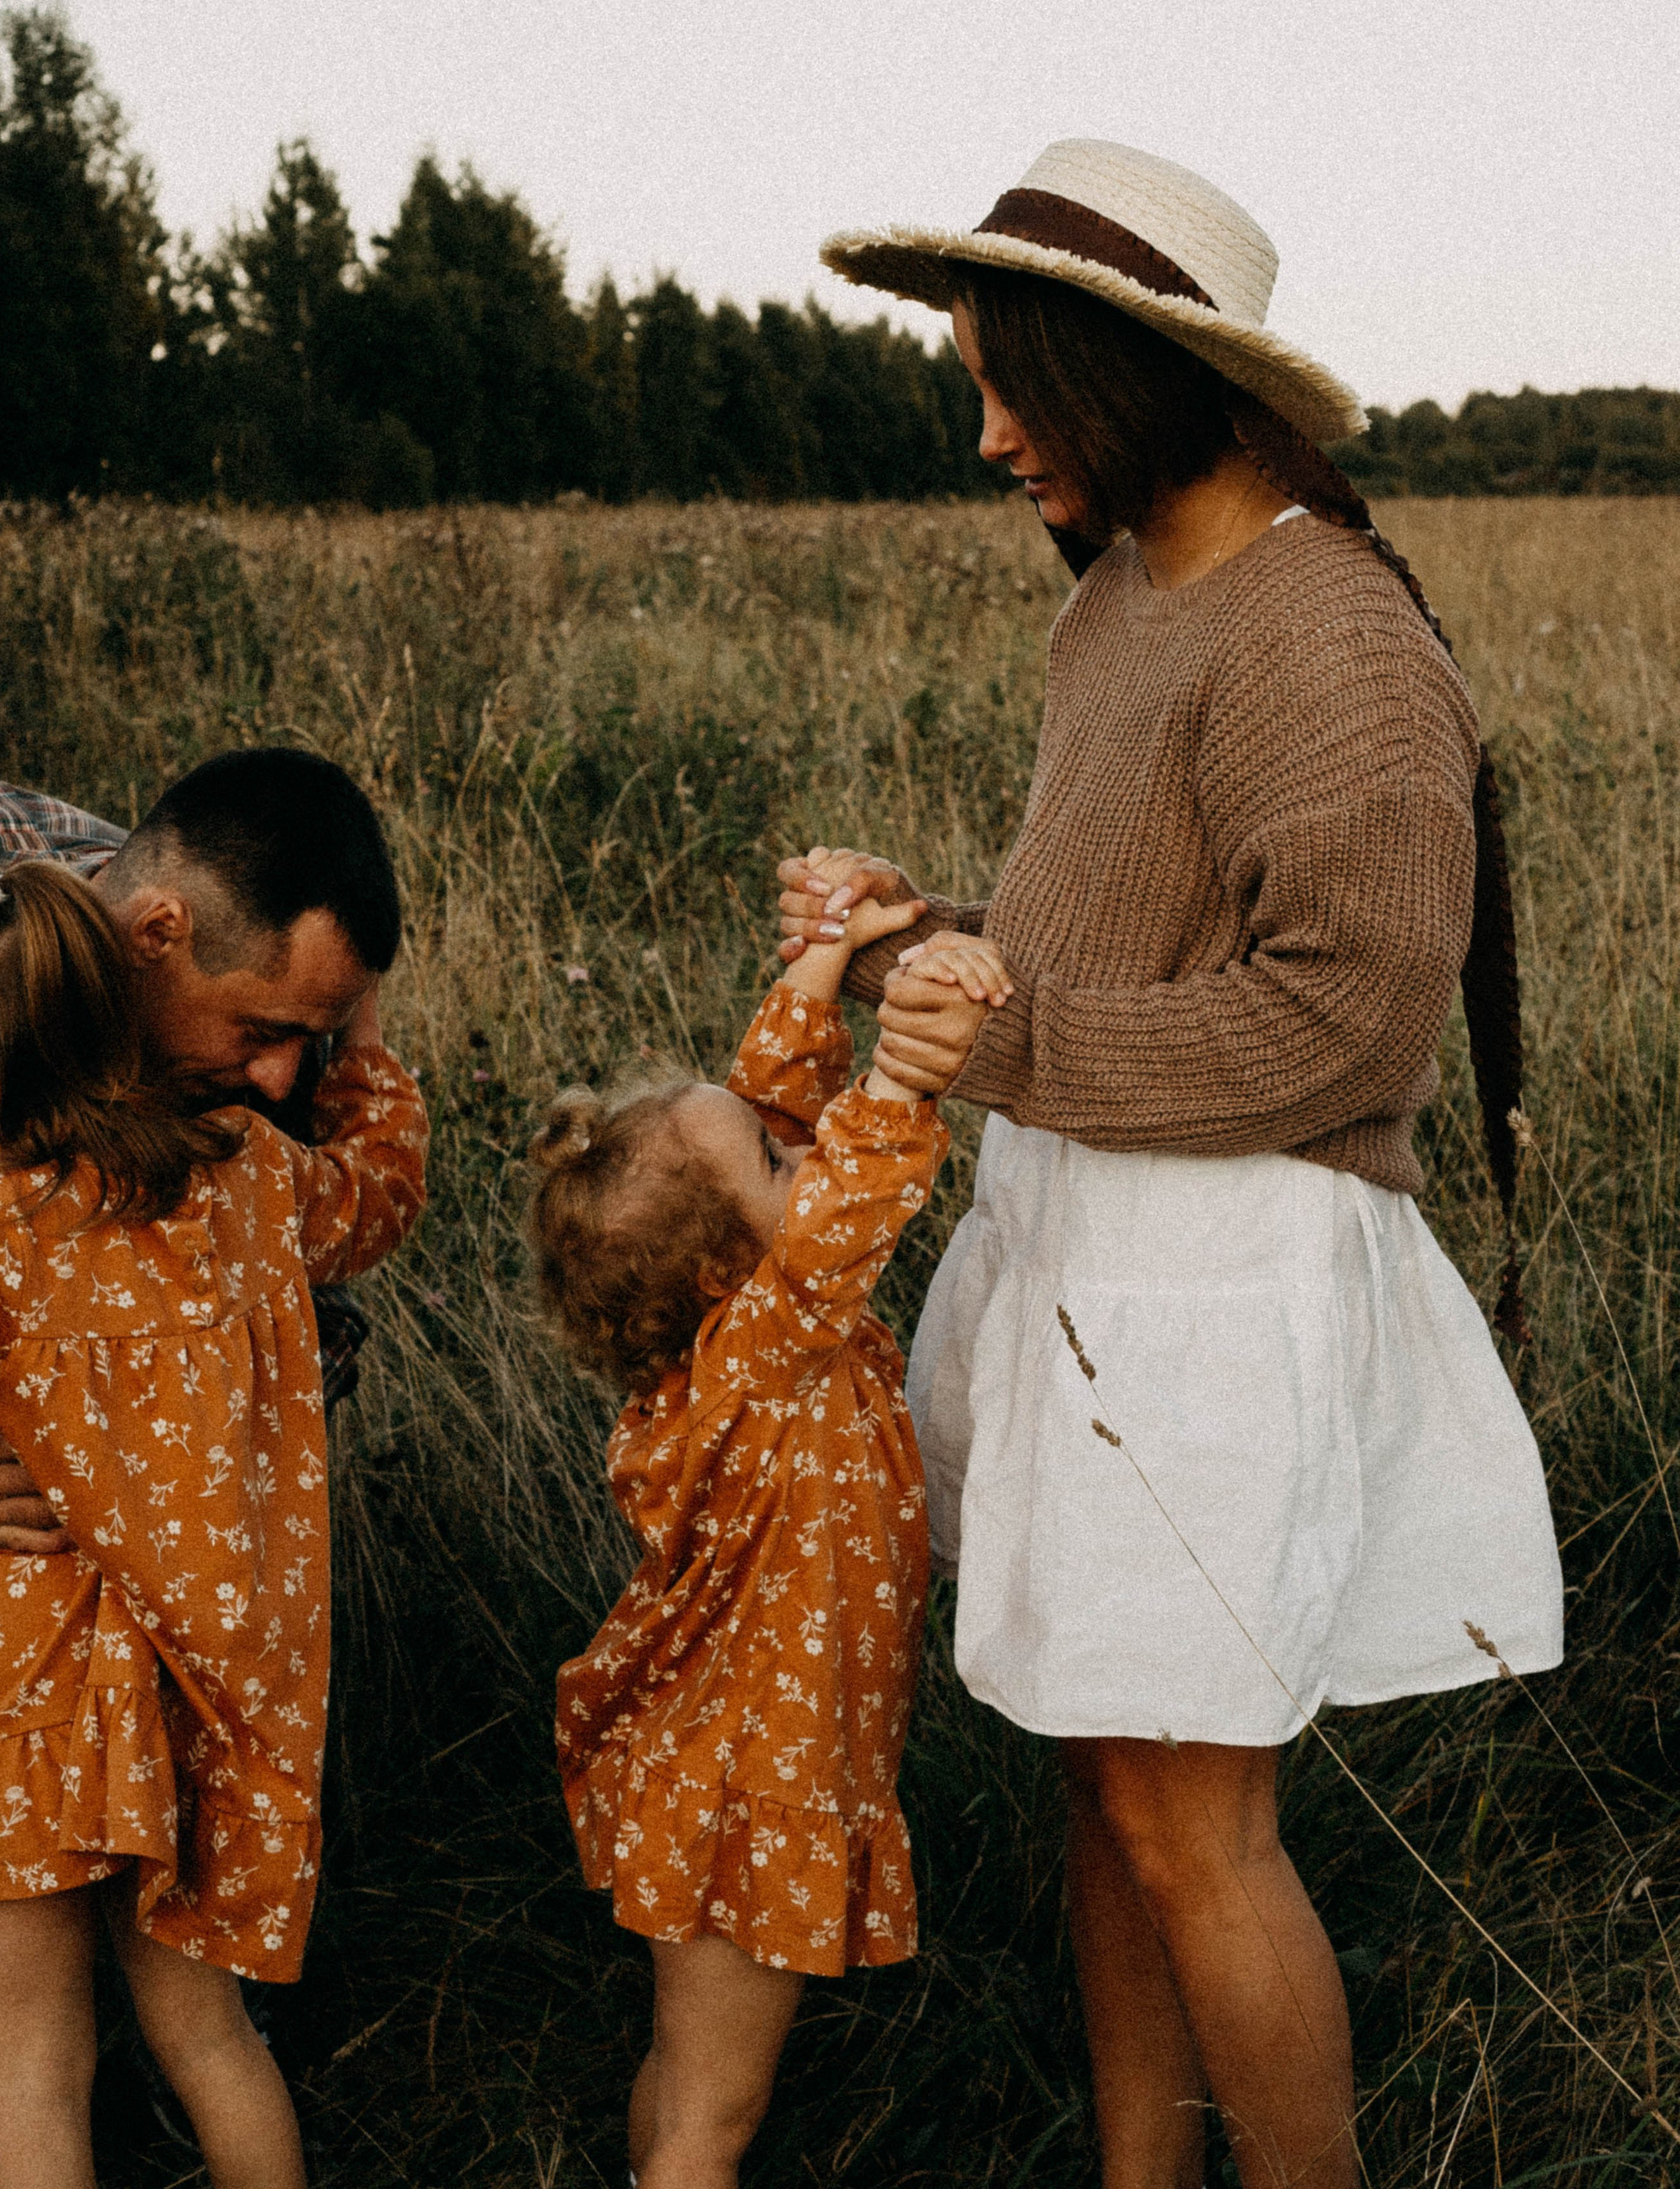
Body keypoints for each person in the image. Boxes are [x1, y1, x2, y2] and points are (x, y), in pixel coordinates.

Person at [777, 140, 1565, 2188]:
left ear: (1123, 376)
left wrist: (1014, 1033)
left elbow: (1344, 1025)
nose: (984, 436)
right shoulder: (1131, 597)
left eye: (1010, 385)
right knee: (1102, 1791)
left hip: (1216, 1290)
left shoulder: (1332, 636)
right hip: (1088, 1243)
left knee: (1193, 1825)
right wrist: (916, 934)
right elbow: (1127, 949)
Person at [531, 897, 1009, 2189]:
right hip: (751, 1793)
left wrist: (821, 960)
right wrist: (911, 1056)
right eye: (772, 1162)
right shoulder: (766, 1349)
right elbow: (840, 1191)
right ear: (719, 1273)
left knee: (684, 2086)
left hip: (714, 1772)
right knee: (712, 2120)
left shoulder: (729, 1349)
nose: (798, 1148)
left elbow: (771, 1111)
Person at [0, 857, 428, 2189]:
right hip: (208, 1694)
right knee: (212, 2037)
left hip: (25, 1692)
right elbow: (381, 1191)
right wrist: (360, 1045)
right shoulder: (246, 1176)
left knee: (28, 2058)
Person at [0, 749, 404, 1556]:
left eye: (307, 1037)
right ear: (157, 933)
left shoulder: (259, 1013)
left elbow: (317, 1310)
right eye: (262, 1032)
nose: (281, 1081)